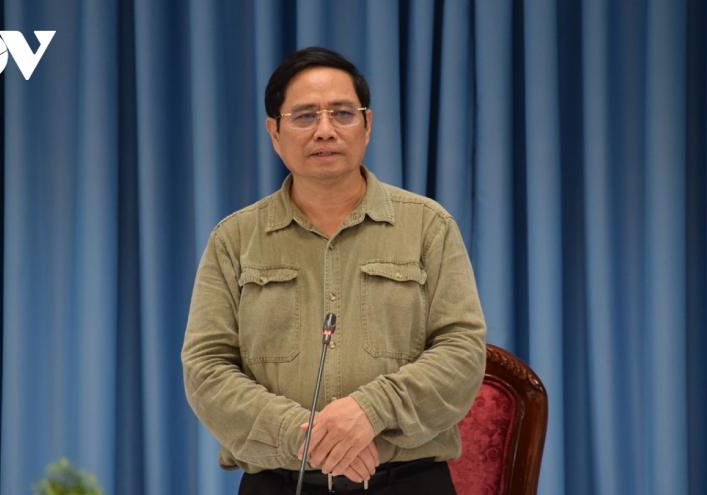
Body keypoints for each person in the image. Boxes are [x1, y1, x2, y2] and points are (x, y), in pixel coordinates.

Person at [181, 46, 486, 494]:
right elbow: (206, 369)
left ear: (367, 125)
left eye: (342, 114)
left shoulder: (428, 226)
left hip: (407, 481)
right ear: (274, 132)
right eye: (305, 116)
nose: (325, 130)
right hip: (279, 483)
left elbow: (462, 351)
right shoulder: (234, 239)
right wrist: (303, 436)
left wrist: (370, 411)